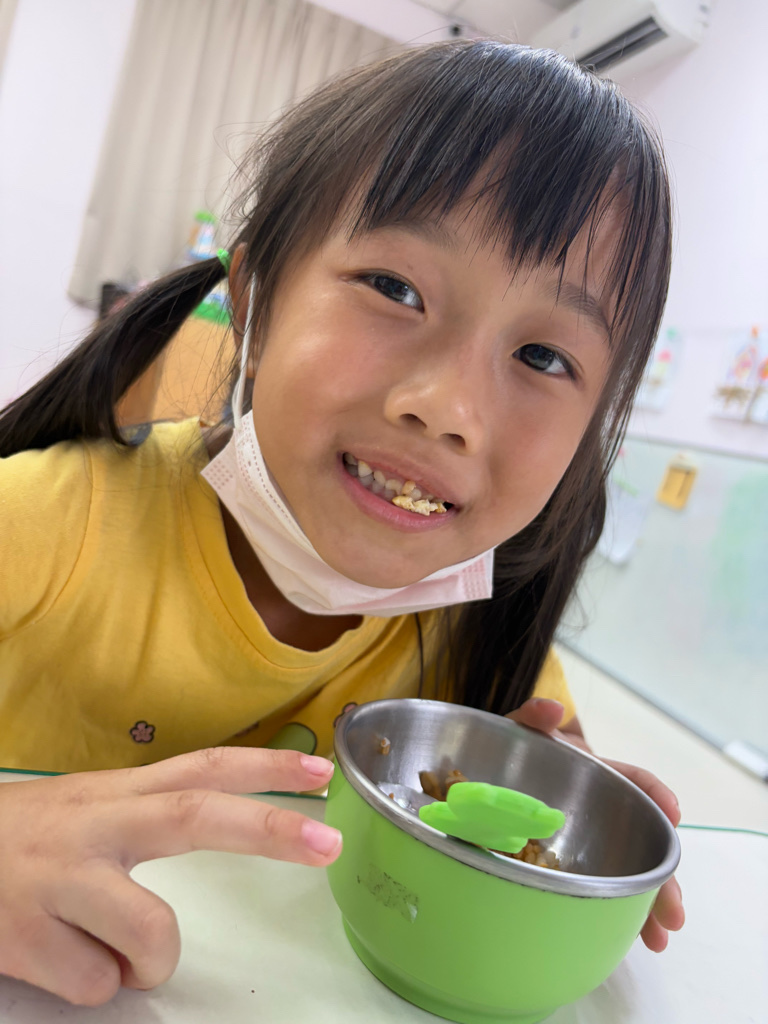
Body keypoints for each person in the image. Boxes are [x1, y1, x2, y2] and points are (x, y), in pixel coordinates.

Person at [0, 40, 684, 1006]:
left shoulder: (484, 646)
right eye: (395, 290)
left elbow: (529, 793)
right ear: (255, 299)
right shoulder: (42, 523)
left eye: (543, 356)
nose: (448, 408)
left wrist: (550, 836)